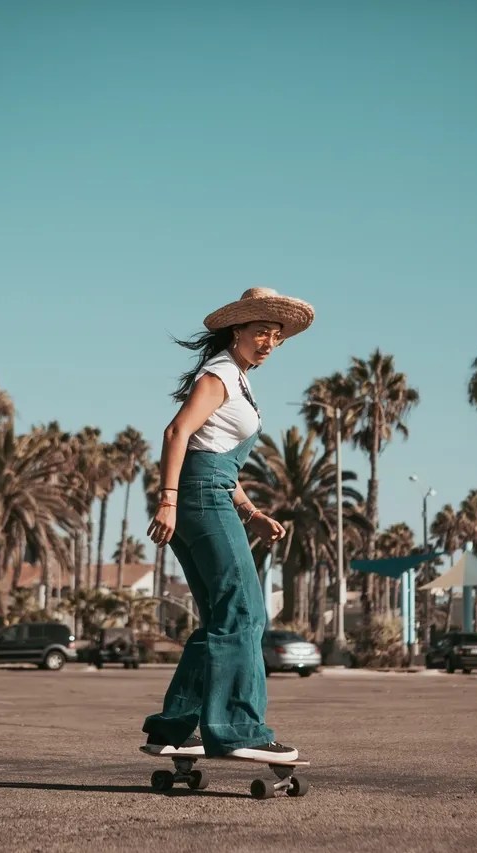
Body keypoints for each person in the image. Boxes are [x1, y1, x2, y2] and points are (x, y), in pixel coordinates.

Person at [141, 287, 314, 762]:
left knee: (221, 618)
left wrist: (252, 513)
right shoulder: (219, 374)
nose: (268, 342)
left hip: (209, 492)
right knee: (245, 614)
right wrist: (168, 500)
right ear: (236, 330)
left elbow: (214, 458)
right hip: (196, 498)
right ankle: (239, 728)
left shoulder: (237, 379)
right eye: (261, 331)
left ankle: (175, 726)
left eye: (276, 335)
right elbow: (178, 433)